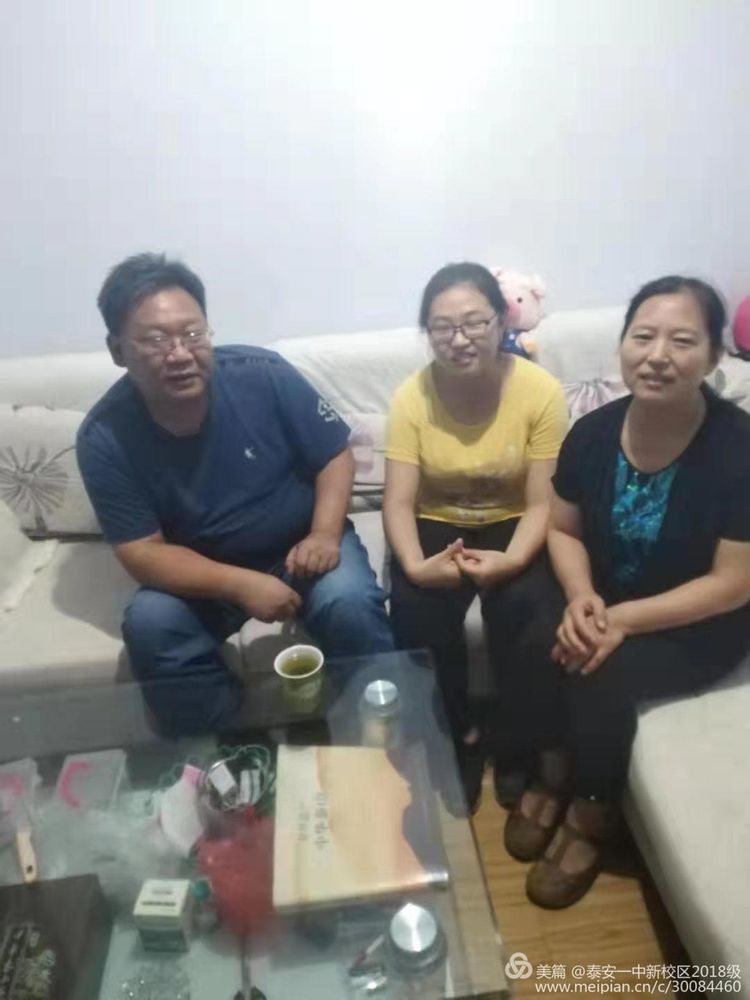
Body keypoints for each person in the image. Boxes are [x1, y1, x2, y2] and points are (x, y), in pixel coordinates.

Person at [502, 276, 750, 908]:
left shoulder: (739, 450)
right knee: (532, 625)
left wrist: (622, 620)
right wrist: (581, 596)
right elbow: (563, 529)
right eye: (643, 337)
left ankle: (592, 811)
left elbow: (733, 583)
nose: (658, 355)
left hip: (695, 620)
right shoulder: (592, 433)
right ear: (622, 347)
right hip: (603, 591)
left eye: (682, 341)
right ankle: (552, 772)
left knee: (596, 670)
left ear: (714, 357)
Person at [77, 253, 393, 736]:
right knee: (151, 625)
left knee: (349, 602)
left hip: (302, 545)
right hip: (203, 571)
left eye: (192, 333)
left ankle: (380, 731)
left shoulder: (262, 374)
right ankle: (229, 749)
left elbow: (335, 454)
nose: (180, 353)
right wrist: (241, 584)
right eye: (156, 340)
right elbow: (142, 552)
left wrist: (325, 534)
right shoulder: (104, 437)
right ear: (117, 349)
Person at [383, 262, 568, 812]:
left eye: (474, 323)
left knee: (531, 611)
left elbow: (543, 502)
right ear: (427, 332)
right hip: (437, 519)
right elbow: (398, 501)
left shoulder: (539, 391)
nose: (459, 339)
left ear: (501, 322)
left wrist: (513, 560)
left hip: (513, 517)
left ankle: (514, 743)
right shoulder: (411, 397)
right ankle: (458, 735)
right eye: (443, 327)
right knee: (416, 613)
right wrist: (415, 566)